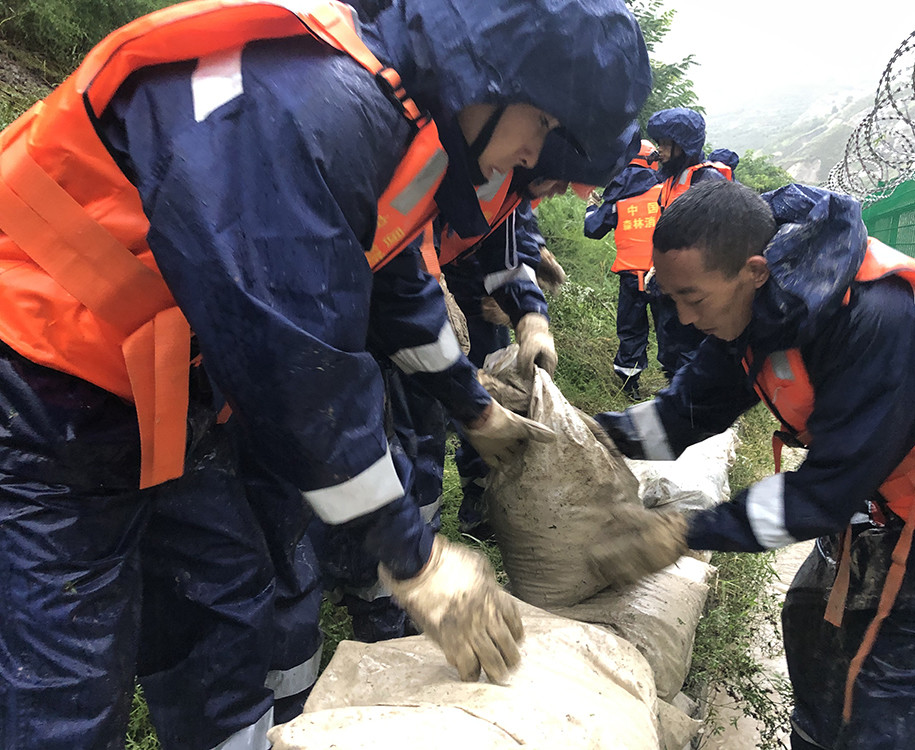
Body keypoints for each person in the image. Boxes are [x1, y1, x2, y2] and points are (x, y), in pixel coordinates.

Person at [0, 1, 651, 747]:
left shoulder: (395, 125)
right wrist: (416, 558)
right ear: (496, 78)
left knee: (224, 615)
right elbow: (294, 370)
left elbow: (397, 290)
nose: (533, 160)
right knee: (63, 681)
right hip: (40, 380)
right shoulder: (299, 106)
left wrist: (475, 409)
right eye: (542, 130)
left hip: (162, 385)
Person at [589, 179, 915, 750]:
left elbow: (824, 492)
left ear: (753, 271)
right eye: (674, 299)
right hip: (881, 493)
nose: (682, 320)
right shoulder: (762, 306)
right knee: (814, 629)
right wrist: (582, 432)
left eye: (693, 299)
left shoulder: (881, 319)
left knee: (891, 704)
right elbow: (685, 412)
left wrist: (684, 532)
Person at [645, 107, 731, 378]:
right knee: (670, 344)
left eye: (665, 144)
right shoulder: (671, 179)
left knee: (691, 348)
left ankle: (693, 405)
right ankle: (675, 392)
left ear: (682, 145)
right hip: (670, 280)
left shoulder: (707, 181)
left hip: (695, 284)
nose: (661, 150)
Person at [584, 139, 664, 399]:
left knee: (631, 330)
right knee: (672, 329)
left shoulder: (616, 196)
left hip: (630, 277)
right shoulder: (666, 192)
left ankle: (630, 388)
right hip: (664, 276)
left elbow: (593, 229)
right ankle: (678, 384)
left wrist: (591, 207)